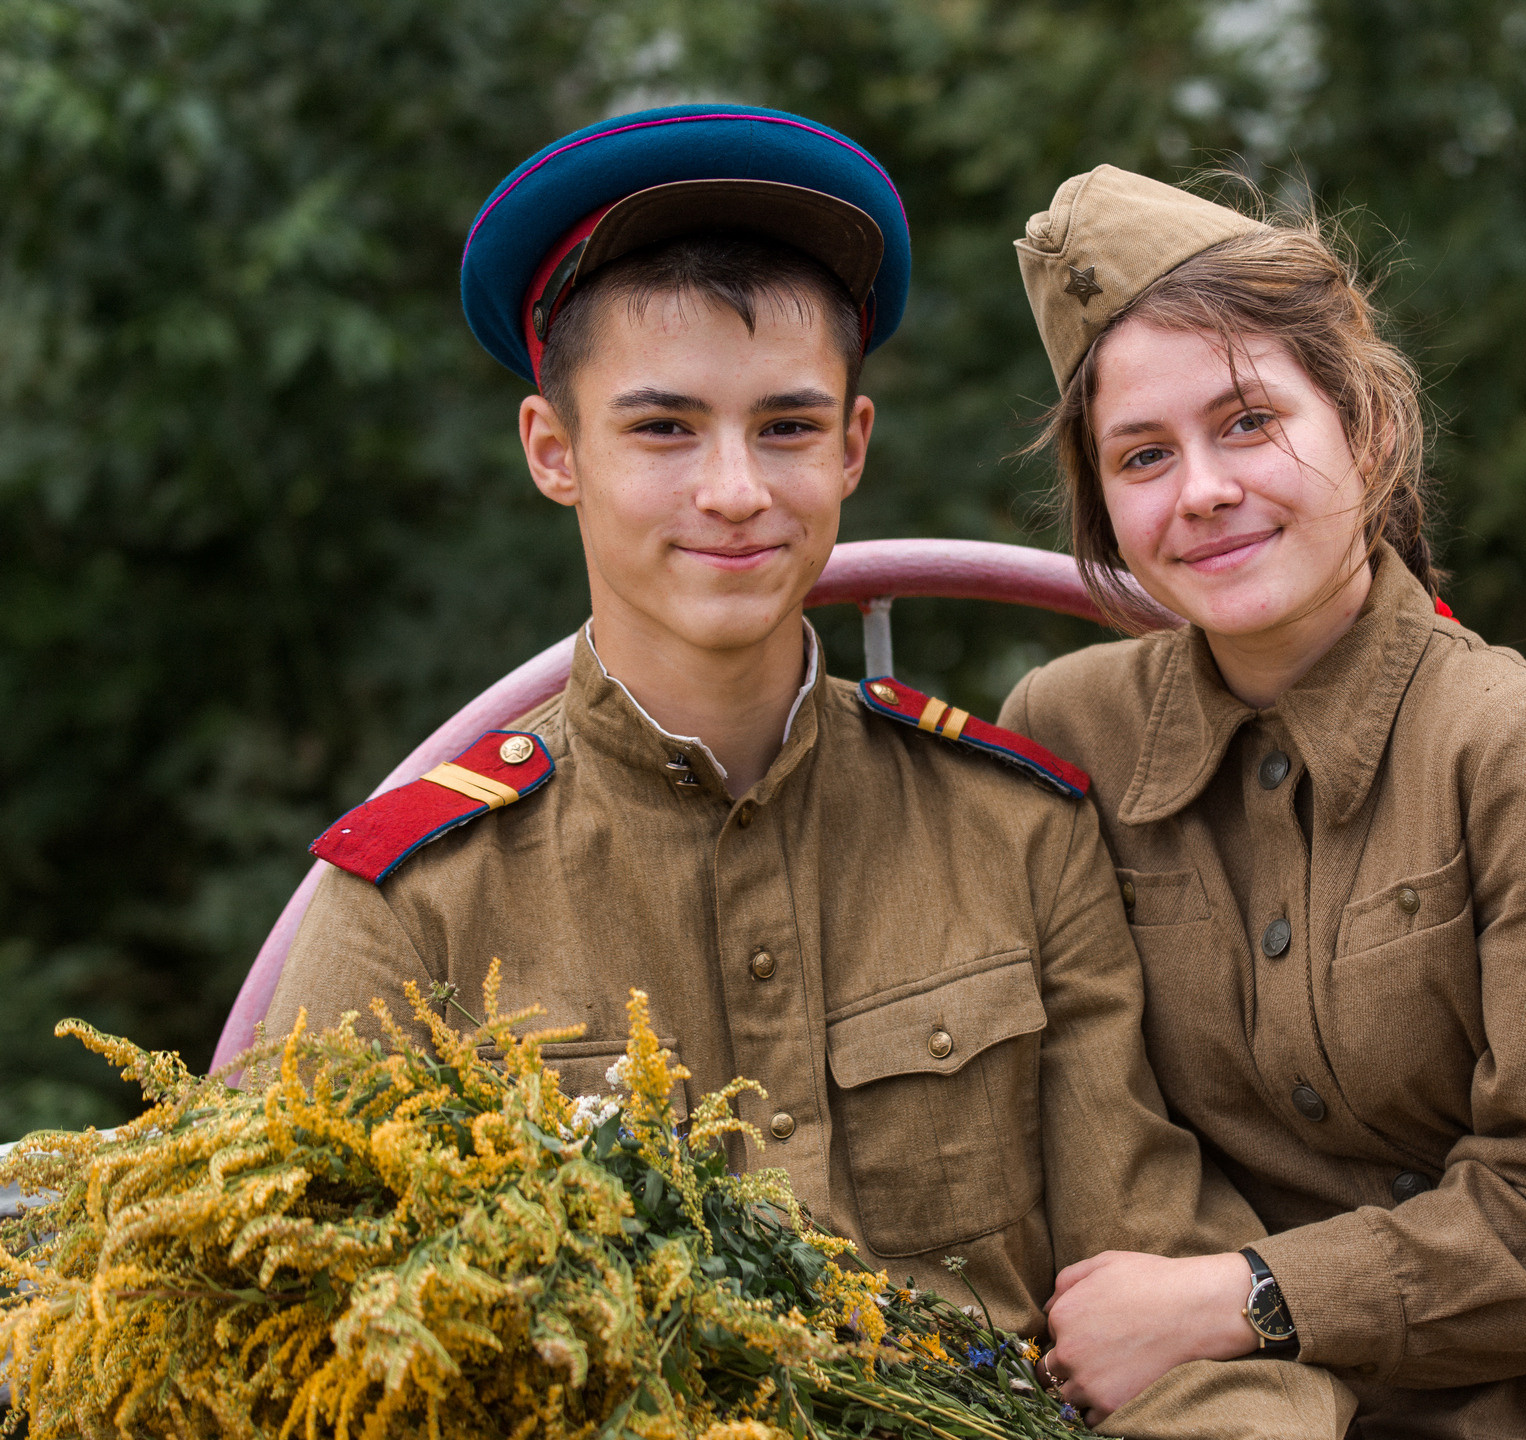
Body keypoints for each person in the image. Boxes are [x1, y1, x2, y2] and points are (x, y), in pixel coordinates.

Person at [264, 110, 1352, 1440]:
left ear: (851, 446)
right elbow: (269, 1347)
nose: (734, 490)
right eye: (663, 430)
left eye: (785, 427)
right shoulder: (416, 901)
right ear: (555, 452)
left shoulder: (1014, 832)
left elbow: (1163, 1303)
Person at [997, 165, 1526, 1438]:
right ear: (1107, 513)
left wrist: (1244, 1299)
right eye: (1142, 456)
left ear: (1369, 426)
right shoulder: (1067, 735)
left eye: (1247, 422)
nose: (1202, 491)